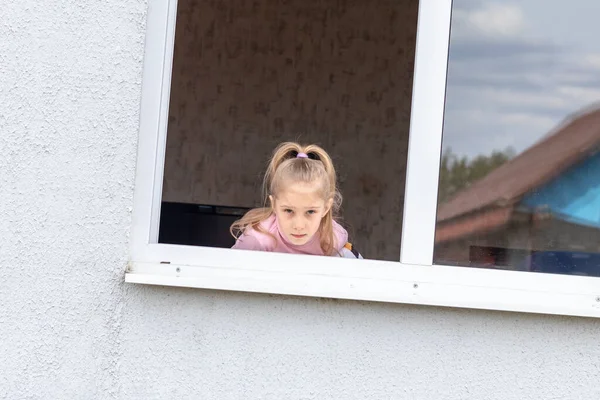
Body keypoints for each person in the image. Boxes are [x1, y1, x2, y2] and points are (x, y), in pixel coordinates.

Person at [230, 142, 362, 258]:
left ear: (326, 208)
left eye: (310, 212)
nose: (299, 225)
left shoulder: (333, 239)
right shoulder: (257, 240)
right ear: (274, 205)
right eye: (288, 210)